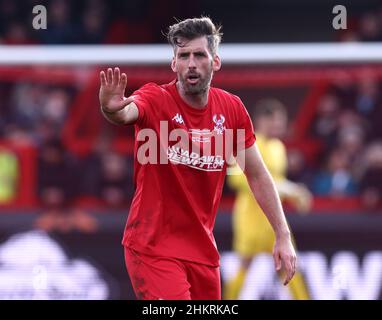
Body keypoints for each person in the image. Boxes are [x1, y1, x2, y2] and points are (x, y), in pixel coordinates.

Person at [99, 17, 297, 300]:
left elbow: (256, 174)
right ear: (173, 64)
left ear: (215, 62)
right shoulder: (155, 99)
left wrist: (283, 234)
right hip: (153, 248)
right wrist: (110, 108)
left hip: (203, 252)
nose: (191, 63)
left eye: (199, 55)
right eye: (183, 56)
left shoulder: (231, 109)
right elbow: (125, 113)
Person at [224, 99, 312, 300]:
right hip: (250, 220)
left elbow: (277, 181)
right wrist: (289, 190)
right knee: (244, 266)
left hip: (273, 219)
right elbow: (237, 180)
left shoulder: (278, 147)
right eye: (276, 122)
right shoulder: (246, 144)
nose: (280, 127)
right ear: (262, 121)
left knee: (289, 264)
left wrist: (293, 192)